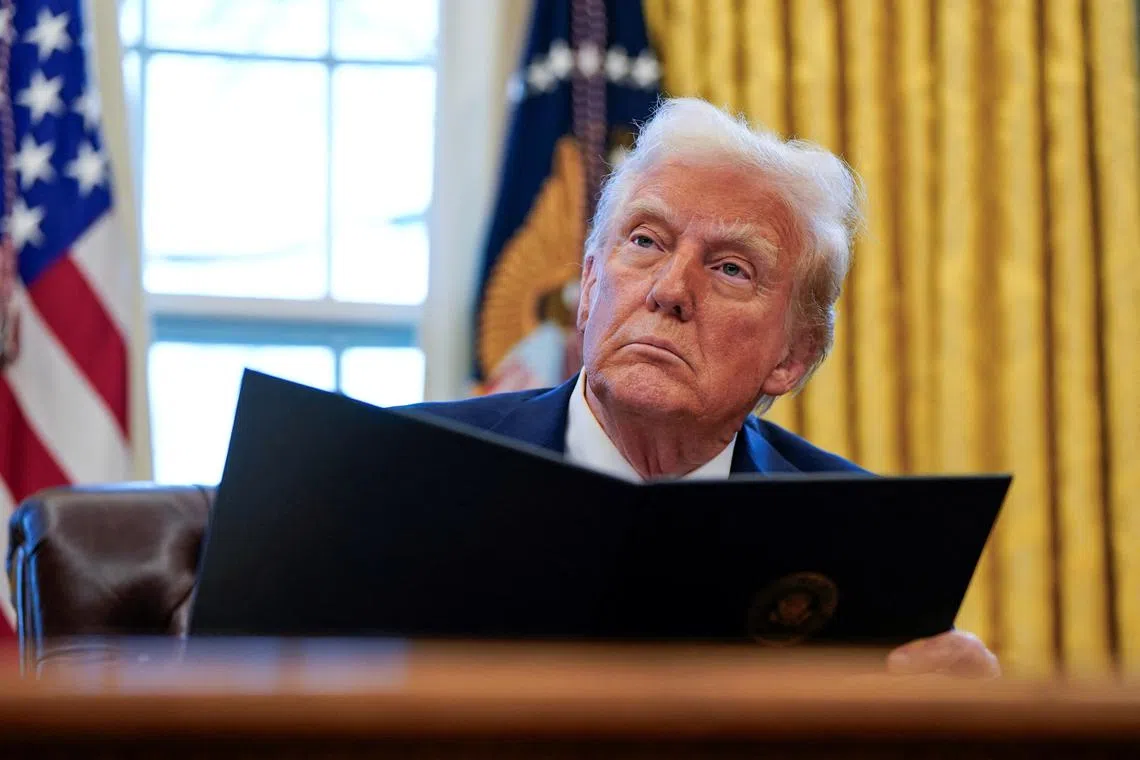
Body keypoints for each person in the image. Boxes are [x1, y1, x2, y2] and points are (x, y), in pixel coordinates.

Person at [413, 97, 999, 678]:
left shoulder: (866, 542)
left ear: (793, 357)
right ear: (589, 287)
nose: (669, 290)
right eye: (645, 240)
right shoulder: (412, 466)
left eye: (730, 268)